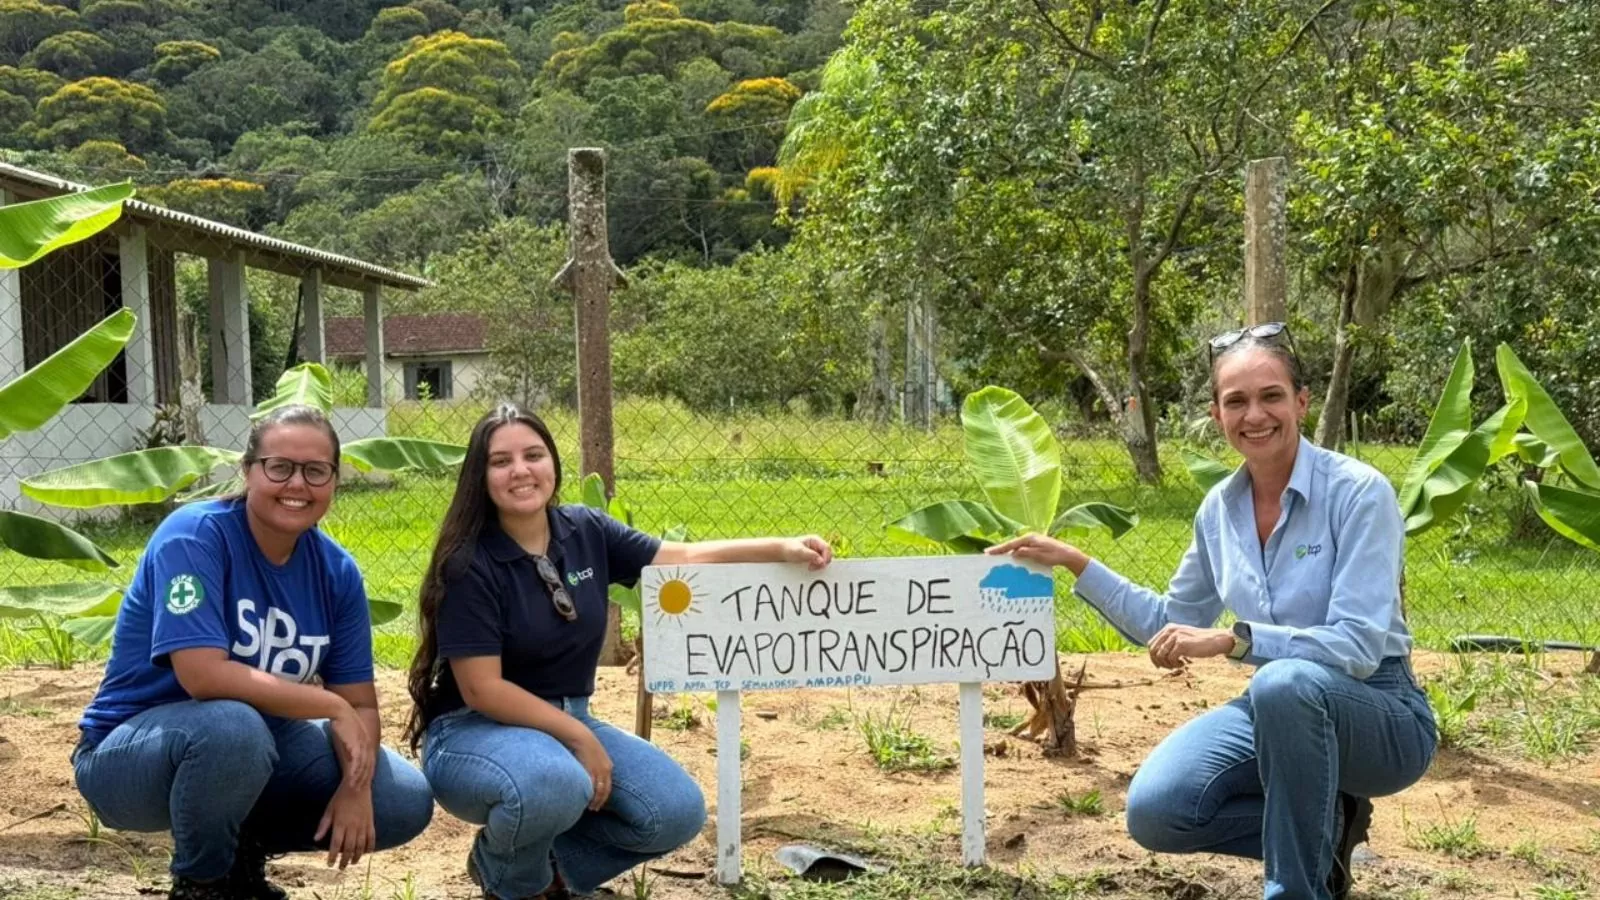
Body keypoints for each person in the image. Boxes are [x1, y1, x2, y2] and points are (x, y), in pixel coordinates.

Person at [990, 323, 1436, 900]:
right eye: (1237, 401)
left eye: (1271, 395)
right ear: (1217, 413)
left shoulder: (1358, 493)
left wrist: (1235, 641)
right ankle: (1326, 831)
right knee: (1159, 811)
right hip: (1277, 707)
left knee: (1283, 681)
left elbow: (1355, 647)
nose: (1256, 414)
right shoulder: (1220, 508)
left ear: (1301, 401)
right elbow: (1169, 620)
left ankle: (1294, 890)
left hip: (1379, 713)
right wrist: (1076, 562)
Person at [406, 403, 832, 900]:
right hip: (474, 732)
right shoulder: (469, 563)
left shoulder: (584, 529)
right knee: (556, 781)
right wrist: (579, 738)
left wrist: (780, 547)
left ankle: (549, 873)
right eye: (501, 461)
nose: (520, 471)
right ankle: (512, 883)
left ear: (553, 463)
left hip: (568, 718)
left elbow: (681, 557)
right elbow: (483, 689)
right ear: (480, 476)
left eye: (533, 454)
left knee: (675, 811)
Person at [74, 406, 435, 900]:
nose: (298, 484)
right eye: (279, 466)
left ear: (334, 480)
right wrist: (331, 707)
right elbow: (204, 677)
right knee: (233, 729)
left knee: (400, 799)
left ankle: (240, 850)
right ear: (248, 471)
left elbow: (362, 704)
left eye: (316, 471)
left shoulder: (337, 572)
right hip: (130, 757)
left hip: (250, 749)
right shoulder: (194, 536)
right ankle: (203, 881)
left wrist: (355, 787)